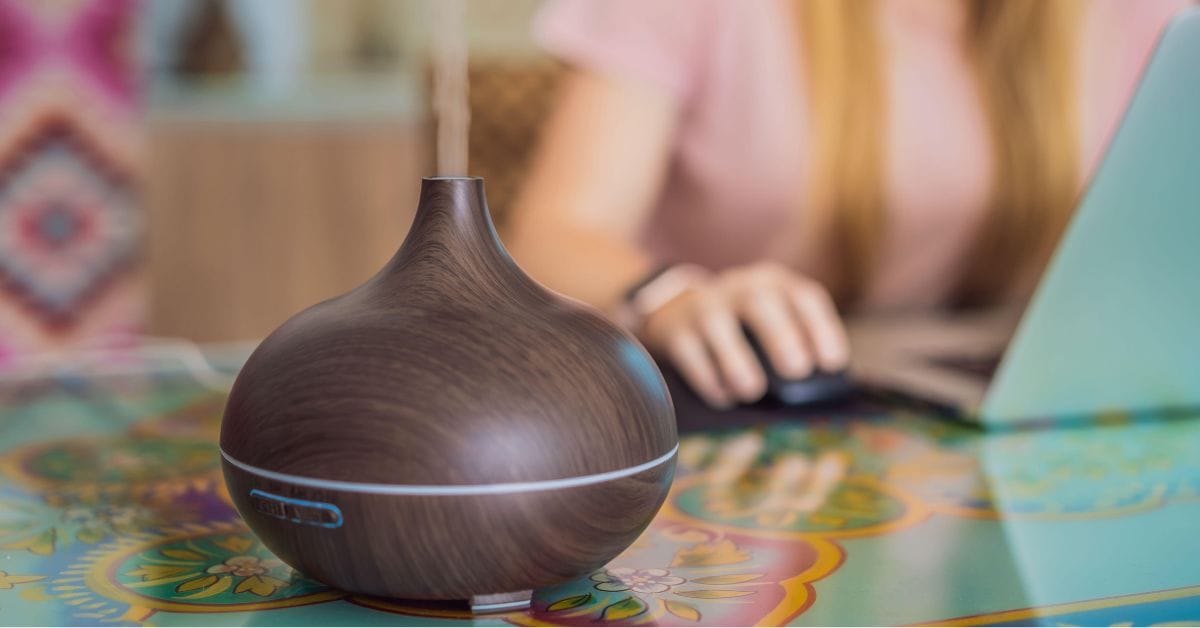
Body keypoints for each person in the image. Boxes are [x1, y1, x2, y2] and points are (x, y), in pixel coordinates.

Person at [506, 0, 1192, 409]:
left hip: (1009, 401)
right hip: (737, 409)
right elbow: (549, 239)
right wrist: (669, 297)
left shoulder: (1136, 15)